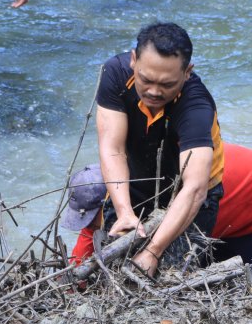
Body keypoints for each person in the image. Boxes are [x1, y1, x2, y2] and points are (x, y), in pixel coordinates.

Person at [96, 22, 225, 279]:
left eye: (167, 84)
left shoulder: (196, 105)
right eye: (146, 80)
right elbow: (112, 149)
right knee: (111, 270)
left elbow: (195, 188)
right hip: (134, 181)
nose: (154, 91)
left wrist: (153, 251)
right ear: (134, 60)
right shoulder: (115, 74)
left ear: (187, 72)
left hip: (189, 195)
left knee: (171, 276)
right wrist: (124, 212)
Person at [64, 143, 252, 265]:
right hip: (215, 220)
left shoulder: (153, 197)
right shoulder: (115, 203)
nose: (89, 227)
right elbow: (86, 250)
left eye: (92, 218)